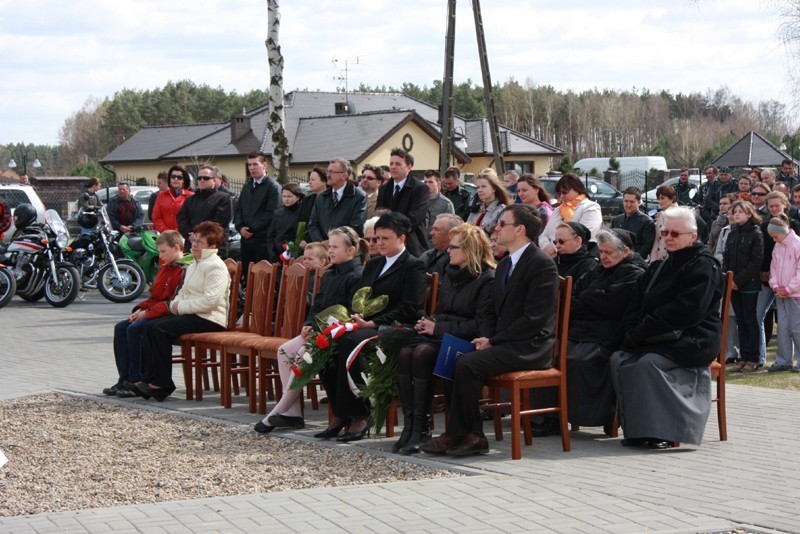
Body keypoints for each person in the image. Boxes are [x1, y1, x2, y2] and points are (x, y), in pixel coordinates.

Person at [421, 204, 560, 457]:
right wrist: (486, 338)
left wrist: (493, 341)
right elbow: (495, 312)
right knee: (453, 357)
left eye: (502, 224)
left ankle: (461, 434)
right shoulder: (506, 264)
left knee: (468, 364)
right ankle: (470, 434)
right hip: (506, 341)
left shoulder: (541, 265)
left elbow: (534, 319)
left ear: (519, 230)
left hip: (530, 346)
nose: (496, 228)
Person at [611, 206, 724, 449]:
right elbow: (637, 301)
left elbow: (687, 311)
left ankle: (663, 432)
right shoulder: (660, 264)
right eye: (665, 233)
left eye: (675, 234)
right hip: (656, 334)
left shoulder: (704, 265)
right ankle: (638, 429)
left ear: (693, 237)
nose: (668, 238)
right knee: (619, 359)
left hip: (693, 337)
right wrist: (631, 329)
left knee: (647, 364)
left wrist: (641, 332)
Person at [315, 212, 426, 442]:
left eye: (385, 238)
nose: (379, 244)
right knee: (326, 341)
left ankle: (360, 413)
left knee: (349, 342)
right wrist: (351, 318)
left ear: (402, 238)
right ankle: (340, 411)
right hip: (366, 324)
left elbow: (410, 308)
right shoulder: (375, 264)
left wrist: (374, 322)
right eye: (376, 239)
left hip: (394, 328)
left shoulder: (413, 266)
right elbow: (361, 296)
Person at [254, 226, 369, 434]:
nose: (330, 250)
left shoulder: (357, 275)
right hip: (321, 330)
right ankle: (293, 414)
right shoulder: (330, 273)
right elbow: (318, 305)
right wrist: (309, 324)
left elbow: (353, 311)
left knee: (302, 354)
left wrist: (323, 330)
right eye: (329, 246)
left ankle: (278, 411)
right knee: (285, 350)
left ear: (351, 250)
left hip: (340, 333)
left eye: (335, 247)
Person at [395, 224, 496, 454]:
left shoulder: (487, 280)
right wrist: (428, 322)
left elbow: (481, 326)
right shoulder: (452, 274)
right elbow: (443, 311)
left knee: (423, 353)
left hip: (469, 340)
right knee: (406, 352)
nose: (448, 251)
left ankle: (439, 429)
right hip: (446, 334)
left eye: (454, 247)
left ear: (469, 250)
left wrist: (438, 327)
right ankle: (414, 426)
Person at [135, 221, 230, 401]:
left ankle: (163, 384)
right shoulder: (195, 264)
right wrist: (174, 305)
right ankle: (148, 380)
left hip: (211, 318)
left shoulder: (215, 266)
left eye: (200, 243)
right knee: (149, 326)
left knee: (159, 329)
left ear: (212, 246)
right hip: (193, 314)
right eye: (194, 240)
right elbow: (183, 292)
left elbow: (211, 301)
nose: (194, 245)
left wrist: (180, 307)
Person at [566, 229, 643, 431]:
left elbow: (612, 304)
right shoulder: (596, 271)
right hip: (582, 330)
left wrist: (589, 299)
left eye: (608, 252)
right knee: (555, 354)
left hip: (609, 333)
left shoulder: (634, 273)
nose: (603, 257)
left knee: (581, 360)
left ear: (625, 251)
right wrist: (593, 299)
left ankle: (600, 416)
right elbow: (572, 299)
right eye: (601, 252)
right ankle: (556, 415)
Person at [103, 231, 186, 399]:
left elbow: (173, 301)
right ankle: (124, 377)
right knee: (121, 327)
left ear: (177, 248)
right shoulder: (164, 269)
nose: (161, 256)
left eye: (163, 251)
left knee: (135, 329)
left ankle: (136, 380)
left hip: (170, 313)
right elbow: (154, 297)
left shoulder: (184, 269)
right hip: (155, 310)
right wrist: (140, 310)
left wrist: (147, 314)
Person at [724, 200, 764, 373]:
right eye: (734, 212)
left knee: (749, 319)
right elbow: (726, 257)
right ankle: (743, 357)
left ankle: (753, 358)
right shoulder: (733, 233)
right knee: (740, 320)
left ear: (749, 214)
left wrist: (737, 281)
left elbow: (756, 261)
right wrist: (727, 278)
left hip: (748, 284)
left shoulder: (756, 233)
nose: (736, 214)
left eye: (740, 211)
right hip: (732, 284)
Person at [761, 191, 800, 370]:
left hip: (795, 293)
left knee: (797, 328)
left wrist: (789, 288)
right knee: (783, 328)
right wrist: (775, 285)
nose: (773, 240)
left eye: (775, 236)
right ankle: (783, 360)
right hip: (780, 292)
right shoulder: (778, 245)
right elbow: (774, 268)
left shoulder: (797, 244)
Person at [376, 148, 431, 256]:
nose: (393, 167)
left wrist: (393, 233)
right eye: (391, 163)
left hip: (411, 244)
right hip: (386, 245)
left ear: (409, 167)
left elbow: (415, 218)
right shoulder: (384, 189)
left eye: (398, 164)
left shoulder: (420, 188)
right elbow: (379, 214)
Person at [234, 152, 281, 280]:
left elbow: (272, 213)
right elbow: (238, 209)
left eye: (255, 164)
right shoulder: (247, 186)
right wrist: (239, 227)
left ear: (264, 165)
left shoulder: (273, 187)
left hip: (263, 241)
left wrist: (252, 229)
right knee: (249, 278)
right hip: (246, 241)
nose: (252, 168)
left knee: (262, 280)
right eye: (249, 165)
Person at [539, 173, 603, 257]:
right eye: (559, 193)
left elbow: (583, 236)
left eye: (565, 192)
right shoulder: (558, 210)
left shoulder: (591, 207)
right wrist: (547, 248)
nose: (561, 196)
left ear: (578, 189)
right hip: (553, 259)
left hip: (579, 260)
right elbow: (543, 236)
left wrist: (555, 249)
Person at [177, 165, 232, 258]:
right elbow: (181, 219)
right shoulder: (190, 199)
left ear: (214, 180)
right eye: (199, 178)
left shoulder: (223, 198)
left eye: (206, 178)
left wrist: (199, 236)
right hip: (192, 245)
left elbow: (219, 223)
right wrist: (190, 234)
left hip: (213, 247)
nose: (202, 180)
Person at [308, 157, 367, 242]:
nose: (328, 175)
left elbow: (356, 227)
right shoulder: (321, 197)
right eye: (327, 171)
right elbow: (313, 224)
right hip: (323, 249)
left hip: (346, 249)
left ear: (344, 175)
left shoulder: (359, 197)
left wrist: (334, 242)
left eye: (332, 172)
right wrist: (321, 242)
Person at [611, 186, 655, 260]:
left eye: (632, 202)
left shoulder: (647, 222)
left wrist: (632, 259)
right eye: (626, 201)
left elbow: (647, 247)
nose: (628, 205)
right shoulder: (616, 220)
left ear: (638, 202)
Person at [267, 183, 305, 262]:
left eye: (289, 196)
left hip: (294, 255)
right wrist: (273, 254)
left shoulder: (302, 213)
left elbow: (300, 236)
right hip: (276, 255)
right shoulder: (278, 212)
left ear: (298, 197)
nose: (286, 199)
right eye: (284, 196)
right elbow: (271, 235)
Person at [467, 168, 510, 236]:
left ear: (494, 189)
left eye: (483, 186)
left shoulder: (501, 211)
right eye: (478, 187)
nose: (479, 190)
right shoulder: (475, 209)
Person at [152, 165, 194, 232]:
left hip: (183, 235)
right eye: (173, 177)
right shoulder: (161, 195)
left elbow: (192, 218)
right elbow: (156, 217)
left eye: (179, 177)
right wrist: (166, 231)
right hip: (164, 236)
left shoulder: (191, 196)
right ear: (169, 179)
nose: (176, 179)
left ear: (184, 180)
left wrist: (177, 232)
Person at [419, 213, 462, 278]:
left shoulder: (456, 260)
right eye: (432, 228)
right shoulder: (426, 255)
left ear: (451, 233)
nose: (431, 233)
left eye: (437, 229)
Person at [649, 185, 678, 261]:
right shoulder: (661, 214)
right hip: (659, 260)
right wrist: (653, 261)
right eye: (658, 198)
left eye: (663, 198)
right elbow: (657, 240)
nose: (660, 201)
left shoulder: (680, 215)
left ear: (672, 198)